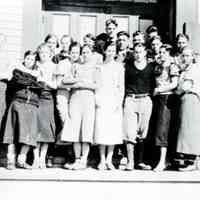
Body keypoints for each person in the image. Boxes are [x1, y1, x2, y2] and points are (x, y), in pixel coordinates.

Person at [62, 44, 99, 170]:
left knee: (86, 129)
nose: (85, 54)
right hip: (75, 98)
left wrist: (84, 83)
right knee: (75, 129)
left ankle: (84, 160)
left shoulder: (95, 68)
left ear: (92, 54)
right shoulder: (75, 65)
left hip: (88, 99)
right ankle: (77, 159)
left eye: (87, 52)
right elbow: (65, 81)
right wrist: (76, 82)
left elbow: (97, 85)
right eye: (83, 52)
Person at [3, 50, 41, 169]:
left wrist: (31, 80)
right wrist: (32, 80)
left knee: (29, 133)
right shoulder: (17, 70)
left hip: (31, 105)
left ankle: (21, 160)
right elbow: (18, 80)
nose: (29, 61)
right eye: (28, 58)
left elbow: (40, 85)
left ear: (35, 62)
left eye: (32, 59)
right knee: (12, 132)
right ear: (24, 59)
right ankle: (10, 160)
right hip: (18, 103)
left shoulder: (38, 72)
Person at [123, 43, 155, 170]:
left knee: (143, 132)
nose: (138, 54)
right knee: (130, 132)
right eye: (136, 52)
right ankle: (130, 162)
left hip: (145, 99)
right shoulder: (128, 67)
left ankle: (140, 161)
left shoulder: (151, 67)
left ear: (145, 53)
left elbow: (154, 84)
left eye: (140, 52)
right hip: (131, 99)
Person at [94, 42, 124, 170]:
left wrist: (119, 102)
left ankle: (109, 160)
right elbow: (96, 84)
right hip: (102, 99)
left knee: (112, 131)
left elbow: (121, 86)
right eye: (109, 50)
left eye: (113, 50)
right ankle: (101, 160)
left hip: (114, 100)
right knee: (102, 130)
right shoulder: (99, 67)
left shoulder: (119, 67)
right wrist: (97, 99)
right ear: (105, 51)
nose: (111, 53)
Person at [151, 44, 179, 172]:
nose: (161, 54)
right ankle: (161, 160)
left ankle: (163, 161)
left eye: (164, 52)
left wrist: (159, 89)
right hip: (157, 99)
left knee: (163, 130)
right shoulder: (158, 66)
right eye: (160, 52)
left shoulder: (172, 66)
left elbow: (174, 84)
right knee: (157, 129)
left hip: (167, 98)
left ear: (169, 53)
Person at [176, 47, 200, 171]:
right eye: (183, 56)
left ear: (192, 57)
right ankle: (189, 159)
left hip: (190, 98)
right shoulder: (185, 69)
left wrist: (178, 88)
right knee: (185, 129)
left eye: (187, 56)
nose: (185, 58)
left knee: (190, 130)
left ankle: (193, 161)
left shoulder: (193, 69)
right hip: (185, 100)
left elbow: (184, 86)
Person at [33, 43, 57, 169]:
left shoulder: (54, 66)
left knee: (46, 128)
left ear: (50, 54)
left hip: (47, 97)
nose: (43, 55)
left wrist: (44, 80)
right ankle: (36, 159)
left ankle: (43, 158)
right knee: (36, 128)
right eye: (41, 52)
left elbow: (56, 85)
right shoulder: (35, 65)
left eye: (45, 53)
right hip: (35, 96)